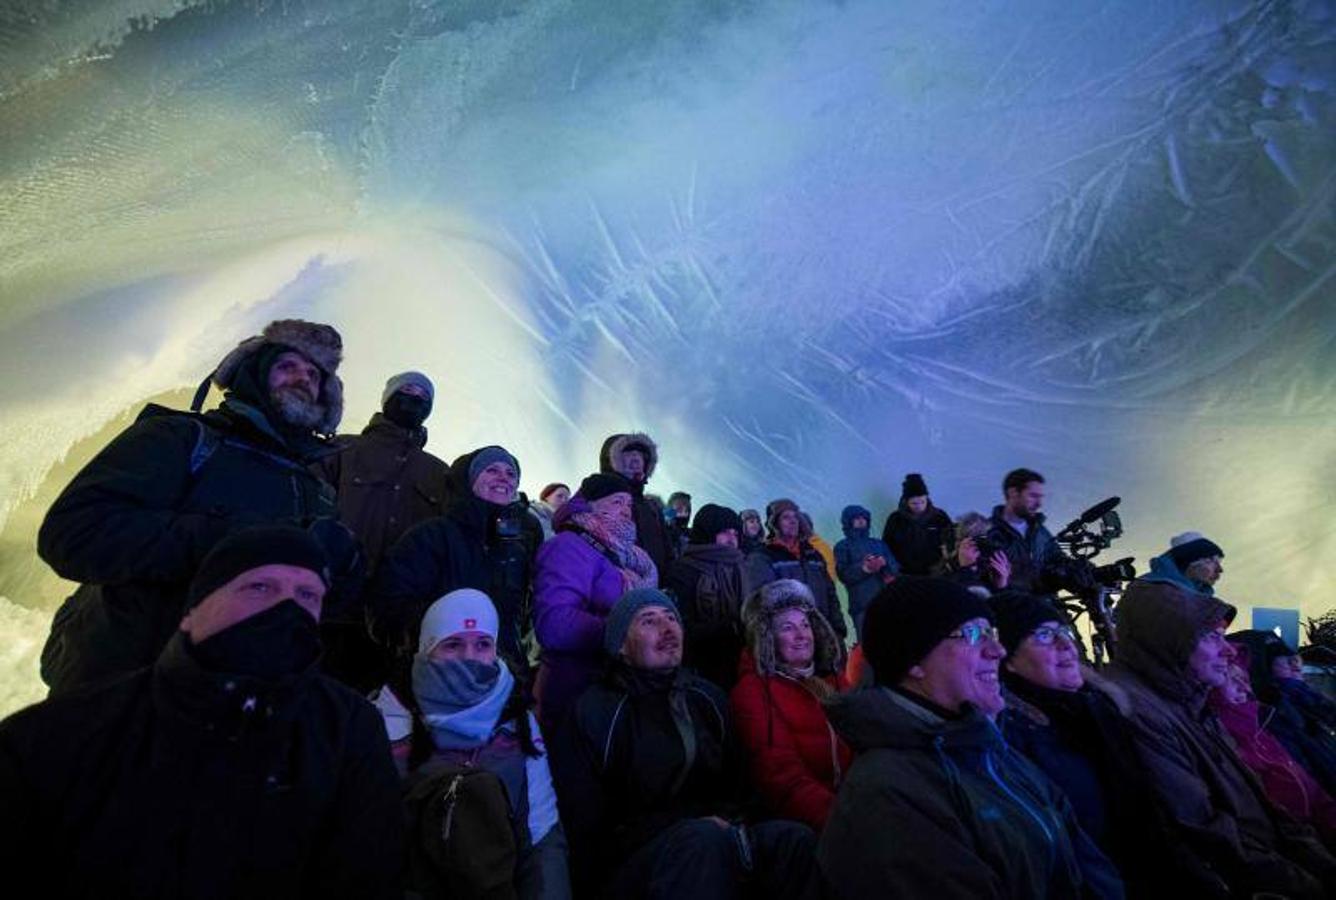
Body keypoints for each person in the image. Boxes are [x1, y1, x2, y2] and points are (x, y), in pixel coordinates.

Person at [0, 525, 403, 898]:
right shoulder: (60, 735)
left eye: (307, 596)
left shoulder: (349, 729)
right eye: (260, 586)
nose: (287, 609)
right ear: (194, 609)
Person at [36, 318, 352, 695]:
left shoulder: (316, 489)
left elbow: (312, 608)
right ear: (254, 372)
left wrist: (341, 571)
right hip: (121, 692)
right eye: (288, 366)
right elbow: (74, 534)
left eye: (314, 375)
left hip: (244, 711)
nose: (303, 378)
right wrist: (239, 545)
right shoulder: (182, 439)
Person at [818, 577, 1123, 900]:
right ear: (915, 662)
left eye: (992, 633)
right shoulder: (885, 793)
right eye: (974, 634)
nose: (998, 650)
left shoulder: (987, 749)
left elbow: (1086, 865)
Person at [551, 588, 822, 900]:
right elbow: (585, 825)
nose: (667, 630)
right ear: (621, 646)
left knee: (794, 840)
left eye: (671, 619)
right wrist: (690, 826)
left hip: (716, 835)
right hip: (632, 861)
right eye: (648, 621)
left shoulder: (706, 698)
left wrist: (734, 823)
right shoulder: (596, 713)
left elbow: (741, 787)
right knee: (702, 841)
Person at [1104, 583, 1336, 898]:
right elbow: (1207, 833)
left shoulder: (1190, 700)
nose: (1228, 651)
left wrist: (1324, 866)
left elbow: (1268, 810)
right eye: (1212, 637)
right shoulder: (1138, 712)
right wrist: (1311, 886)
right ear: (1169, 639)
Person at [993, 591, 1225, 897]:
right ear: (1006, 658)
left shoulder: (1098, 710)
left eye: (1064, 631)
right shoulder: (1014, 739)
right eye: (1044, 636)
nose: (1067, 645)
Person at [392, 588, 570, 900]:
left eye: (482, 644)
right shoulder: (390, 718)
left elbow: (541, 833)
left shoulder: (518, 722)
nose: (469, 658)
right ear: (426, 649)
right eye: (453, 644)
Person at [316, 370, 450, 689]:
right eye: (407, 391)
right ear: (388, 398)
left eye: (423, 396)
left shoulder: (439, 472)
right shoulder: (341, 450)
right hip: (329, 607)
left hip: (396, 620)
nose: (414, 399)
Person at [370, 445, 543, 673]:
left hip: (503, 678)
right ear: (469, 480)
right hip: (438, 674)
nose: (504, 478)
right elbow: (386, 607)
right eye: (492, 470)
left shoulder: (517, 549)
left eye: (511, 473)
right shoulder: (432, 536)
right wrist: (448, 637)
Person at [532, 472, 657, 731]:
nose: (625, 510)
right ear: (590, 504)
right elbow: (555, 625)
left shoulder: (625, 556)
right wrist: (628, 632)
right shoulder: (568, 545)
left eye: (628, 504)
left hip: (611, 692)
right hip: (572, 693)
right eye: (616, 502)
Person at [730, 580, 851, 831]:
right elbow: (780, 776)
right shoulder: (754, 690)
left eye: (805, 625)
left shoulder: (833, 681)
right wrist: (844, 822)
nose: (801, 636)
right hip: (806, 823)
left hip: (854, 803)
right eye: (787, 628)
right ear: (767, 638)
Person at [1207, 651, 1336, 849]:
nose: (1245, 687)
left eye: (1244, 679)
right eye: (1231, 680)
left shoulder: (1261, 730)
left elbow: (1315, 794)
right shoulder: (1224, 742)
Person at [1231, 629, 1336, 798]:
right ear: (1262, 670)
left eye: (1295, 660)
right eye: (1288, 662)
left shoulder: (1302, 702)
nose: (1296, 666)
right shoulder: (1273, 714)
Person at [662, 503, 749, 690]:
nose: (732, 539)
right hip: (698, 668)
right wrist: (729, 627)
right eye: (725, 532)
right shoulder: (683, 570)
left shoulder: (740, 567)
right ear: (707, 532)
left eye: (735, 533)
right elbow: (679, 625)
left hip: (738, 663)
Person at [745, 499, 846, 644]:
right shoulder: (763, 557)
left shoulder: (814, 555)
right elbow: (761, 602)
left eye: (795, 517)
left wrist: (838, 630)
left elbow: (830, 593)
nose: (793, 521)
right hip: (789, 642)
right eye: (786, 517)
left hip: (823, 635)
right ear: (775, 523)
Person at [985, 468, 1073, 595]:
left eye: (1040, 497)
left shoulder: (1040, 531)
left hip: (1047, 606)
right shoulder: (988, 533)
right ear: (1013, 492)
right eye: (1033, 496)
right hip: (1012, 608)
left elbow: (1057, 559)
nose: (1039, 504)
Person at [599, 432, 674, 572]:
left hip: (657, 588)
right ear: (612, 459)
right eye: (628, 454)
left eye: (641, 455)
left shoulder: (653, 507)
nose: (637, 459)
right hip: (614, 586)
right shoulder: (597, 498)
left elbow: (668, 554)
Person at [833, 504, 898, 640]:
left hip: (887, 602)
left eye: (864, 518)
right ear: (848, 522)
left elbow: (895, 567)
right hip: (862, 605)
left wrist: (884, 563)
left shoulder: (879, 544)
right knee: (867, 647)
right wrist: (865, 568)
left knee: (892, 642)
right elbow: (843, 574)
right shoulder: (842, 546)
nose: (861, 521)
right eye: (856, 518)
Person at [879, 473, 954, 576]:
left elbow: (951, 541)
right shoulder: (895, 519)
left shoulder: (939, 517)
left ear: (927, 499)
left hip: (936, 572)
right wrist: (893, 569)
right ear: (906, 502)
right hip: (905, 573)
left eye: (922, 502)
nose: (919, 506)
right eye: (914, 503)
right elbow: (886, 546)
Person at [934, 511, 1012, 596]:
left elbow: (1001, 608)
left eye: (984, 540)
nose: (981, 548)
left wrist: (1001, 587)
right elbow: (966, 603)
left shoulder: (992, 572)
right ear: (958, 544)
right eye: (976, 540)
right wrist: (967, 570)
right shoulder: (943, 578)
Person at [1138, 532, 1225, 597]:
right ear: (1189, 562)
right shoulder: (1149, 588)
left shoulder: (1200, 597)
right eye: (1211, 560)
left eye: (1219, 562)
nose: (1220, 569)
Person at [667, 491, 693, 558]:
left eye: (687, 509)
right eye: (679, 508)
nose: (683, 512)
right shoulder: (655, 521)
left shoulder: (690, 537)